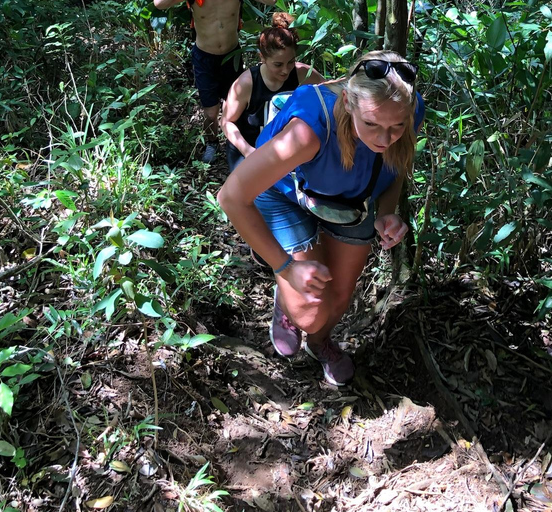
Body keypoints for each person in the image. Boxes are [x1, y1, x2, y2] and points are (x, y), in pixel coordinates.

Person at [217, 51, 425, 386]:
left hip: (349, 199)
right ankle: (285, 295)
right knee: (311, 312)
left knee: (340, 295)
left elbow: (395, 165)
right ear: (347, 101)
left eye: (396, 126)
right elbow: (230, 196)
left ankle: (320, 344)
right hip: (285, 193)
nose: (385, 138)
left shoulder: (408, 110)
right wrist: (286, 266)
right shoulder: (311, 128)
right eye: (371, 124)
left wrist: (386, 212)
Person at [153, 0, 277, 164]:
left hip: (231, 55)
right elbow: (159, 3)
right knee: (211, 113)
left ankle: (234, 145)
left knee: (234, 108)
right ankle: (212, 143)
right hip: (204, 57)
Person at [221, 12, 324, 173]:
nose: (285, 70)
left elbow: (329, 96)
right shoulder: (246, 83)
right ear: (262, 57)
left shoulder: (303, 74)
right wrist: (248, 151)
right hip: (249, 148)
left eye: (290, 62)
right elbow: (226, 122)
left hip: (288, 149)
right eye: (278, 64)